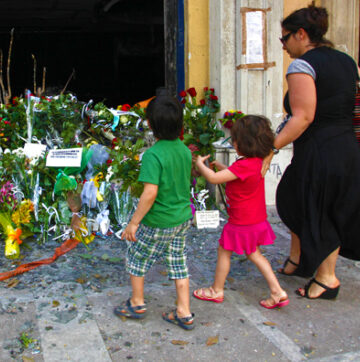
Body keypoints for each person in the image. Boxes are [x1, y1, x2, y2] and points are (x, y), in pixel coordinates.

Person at [268, 1, 360, 299]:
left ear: (301, 34)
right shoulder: (348, 61)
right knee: (298, 197)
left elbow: (303, 116)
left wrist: (269, 149)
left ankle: (327, 278)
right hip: (346, 146)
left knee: (318, 207)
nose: (284, 45)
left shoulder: (302, 65)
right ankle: (299, 259)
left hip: (318, 148)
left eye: (285, 38)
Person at [114, 93, 195, 330]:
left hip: (158, 220)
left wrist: (134, 223)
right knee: (178, 262)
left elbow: (150, 193)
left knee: (137, 256)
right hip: (181, 218)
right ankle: (184, 311)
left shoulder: (153, 155)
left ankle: (137, 303)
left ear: (150, 125)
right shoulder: (184, 150)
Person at [192, 115, 289, 309]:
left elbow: (213, 179)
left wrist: (200, 165)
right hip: (255, 219)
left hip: (241, 222)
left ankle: (216, 290)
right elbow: (237, 177)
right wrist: (222, 168)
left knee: (225, 250)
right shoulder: (256, 162)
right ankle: (277, 291)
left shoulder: (243, 165)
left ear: (242, 143)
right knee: (254, 253)